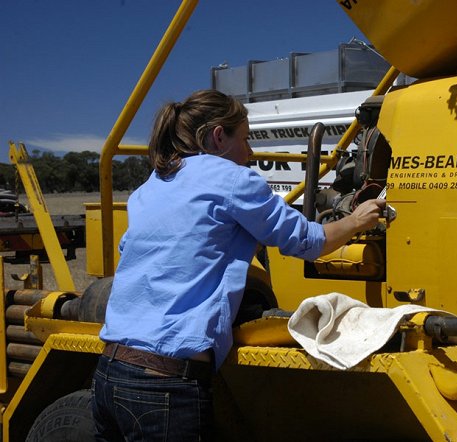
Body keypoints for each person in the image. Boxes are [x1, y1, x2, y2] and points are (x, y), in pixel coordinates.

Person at [92, 89, 385, 441]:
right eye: (244, 140)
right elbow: (307, 241)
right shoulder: (231, 179)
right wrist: (357, 221)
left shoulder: (149, 187)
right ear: (218, 136)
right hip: (165, 386)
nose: (249, 153)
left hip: (109, 375)